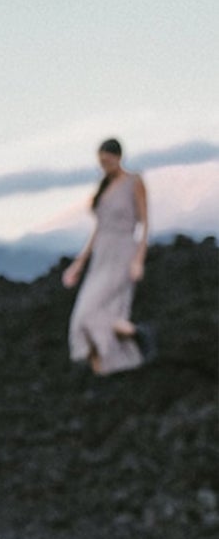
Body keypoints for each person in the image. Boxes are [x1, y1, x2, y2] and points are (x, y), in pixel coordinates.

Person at [62, 138, 152, 373]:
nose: (104, 165)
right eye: (101, 161)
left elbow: (144, 223)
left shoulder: (134, 182)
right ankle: (106, 366)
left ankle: (135, 336)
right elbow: (98, 230)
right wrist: (78, 264)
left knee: (95, 312)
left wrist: (138, 259)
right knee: (84, 315)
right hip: (101, 256)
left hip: (123, 251)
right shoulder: (104, 187)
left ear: (118, 157)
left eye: (107, 160)